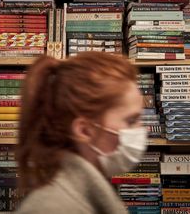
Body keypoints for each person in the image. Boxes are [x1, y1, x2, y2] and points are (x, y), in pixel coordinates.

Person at [15, 52, 148, 214]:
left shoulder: (84, 192)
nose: (143, 129)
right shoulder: (51, 208)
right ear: (85, 130)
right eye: (131, 121)